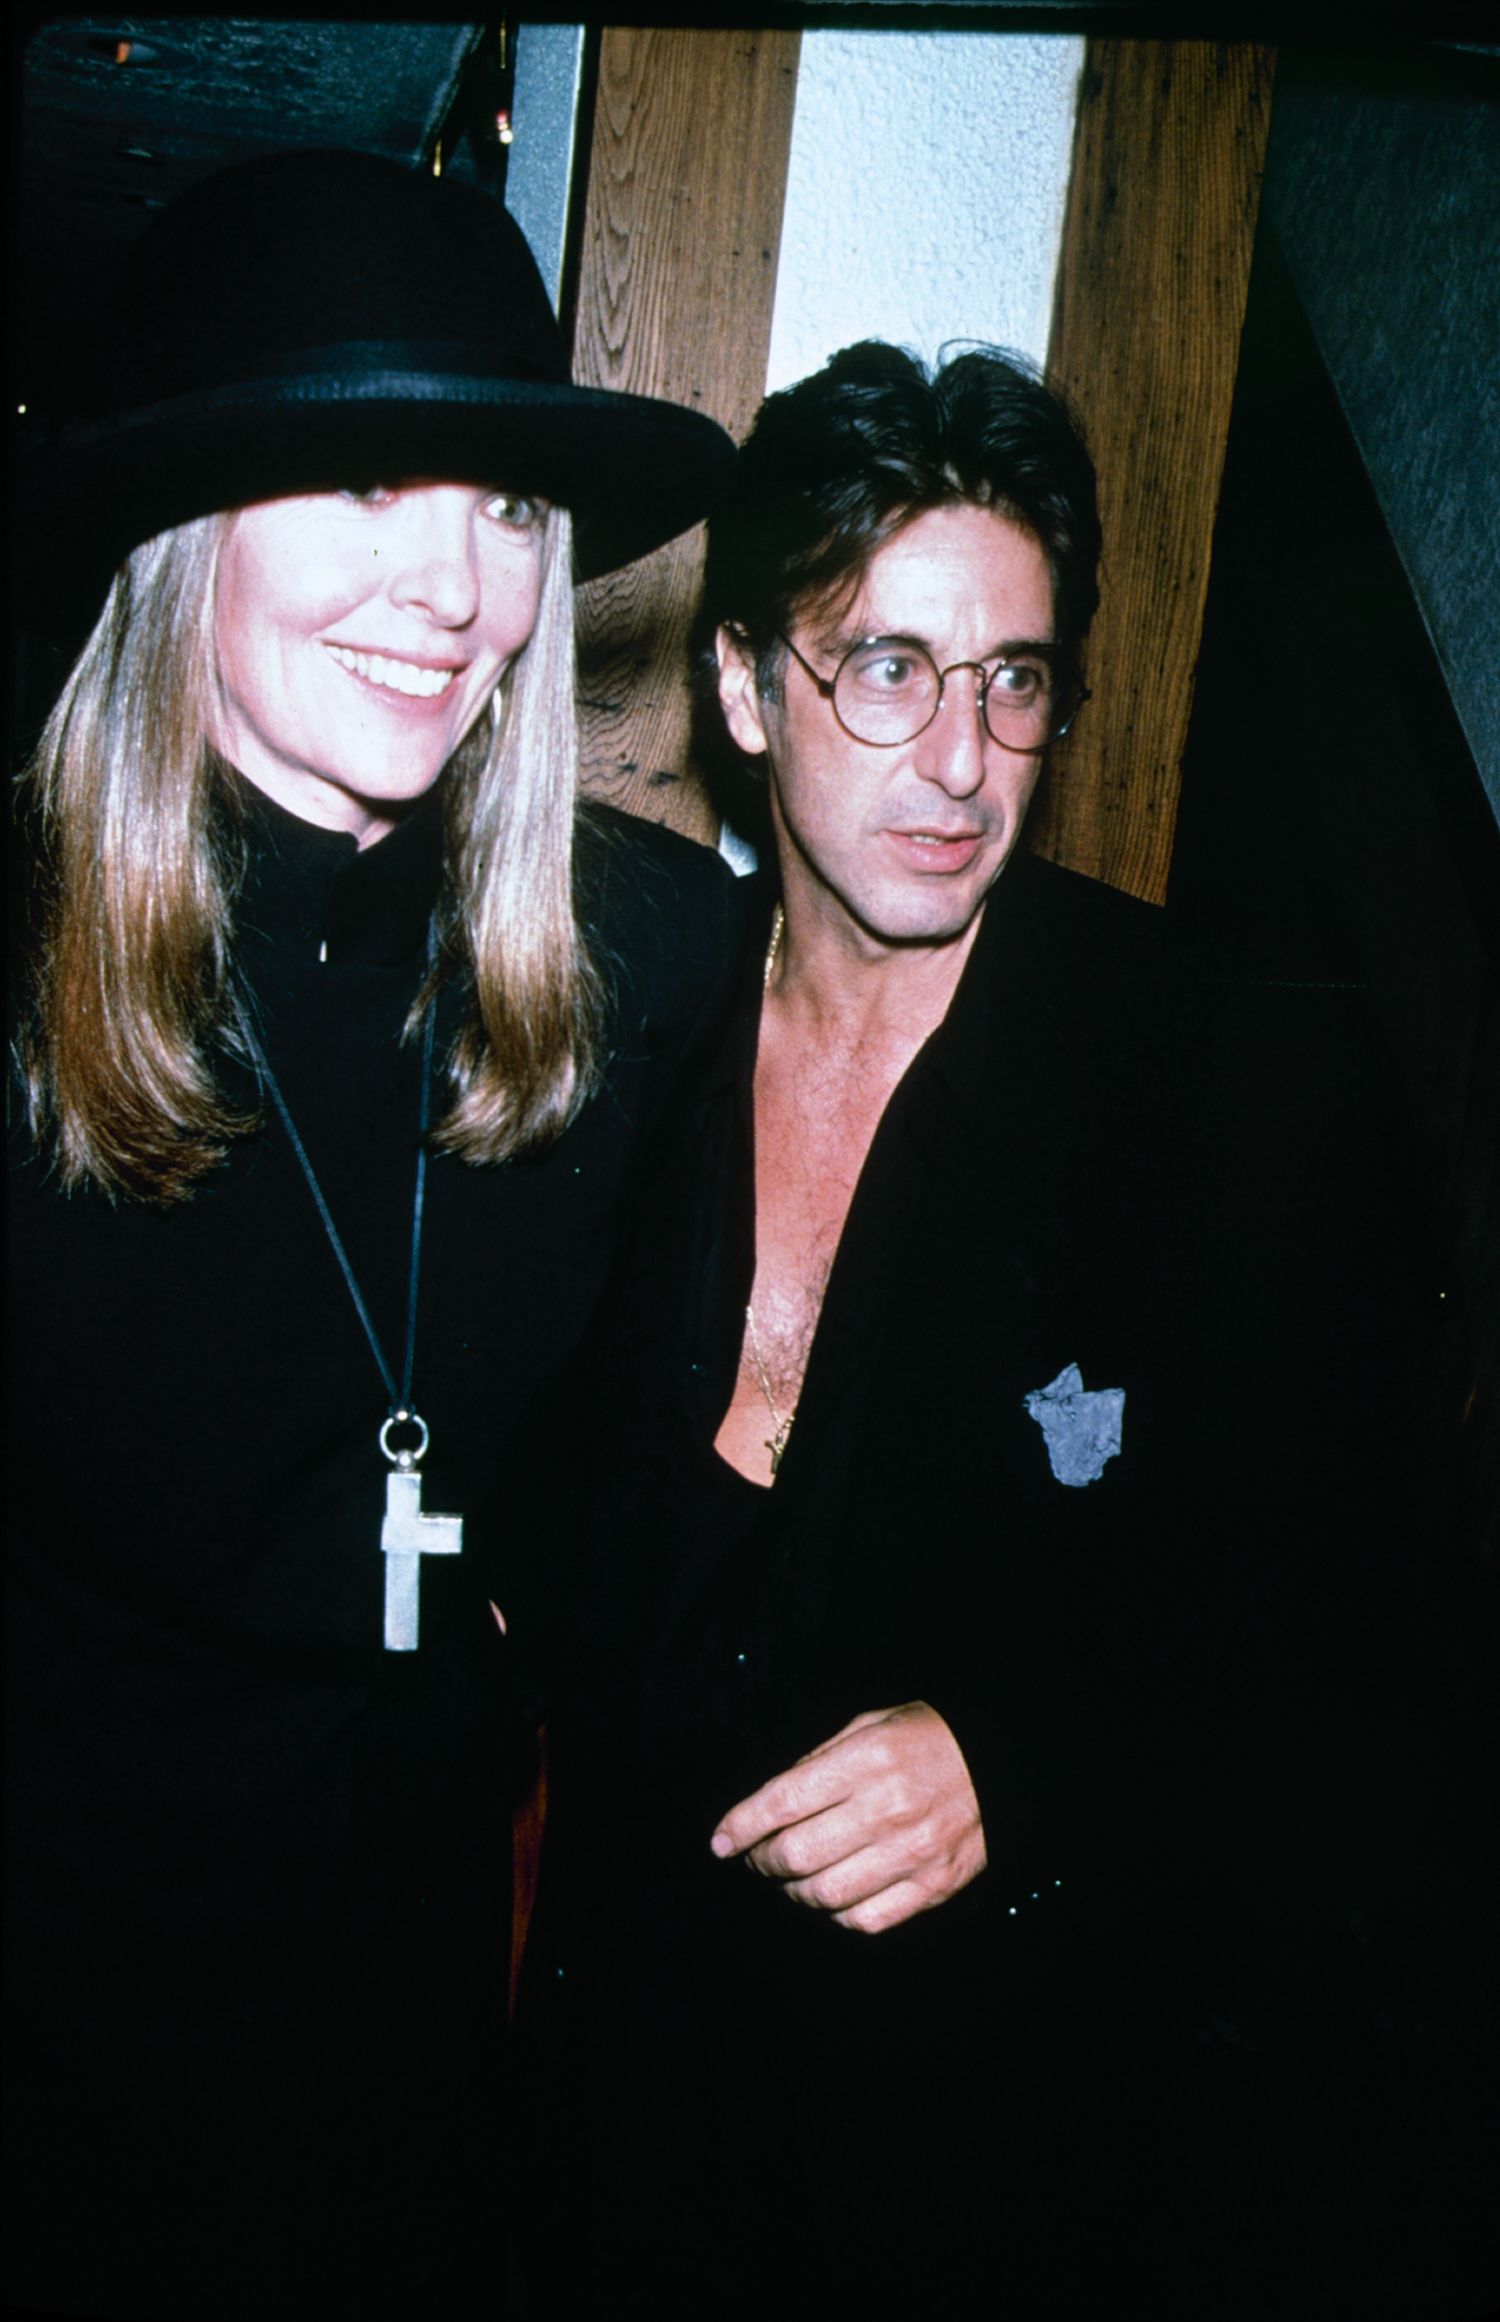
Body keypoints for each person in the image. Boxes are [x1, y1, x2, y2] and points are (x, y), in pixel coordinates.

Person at [514, 343, 1473, 2316]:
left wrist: (1028, 1762)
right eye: (884, 666)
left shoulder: (1220, 1094)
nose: (958, 759)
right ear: (741, 696)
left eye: (1012, 680)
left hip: (998, 2164)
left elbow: (1358, 1659)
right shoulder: (617, 1048)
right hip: (617, 2114)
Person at [3, 148, 737, 2320]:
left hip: (424, 2014)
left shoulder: (652, 952)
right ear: (179, 539)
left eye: (506, 509)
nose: (456, 587)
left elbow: (659, 1452)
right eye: (365, 488)